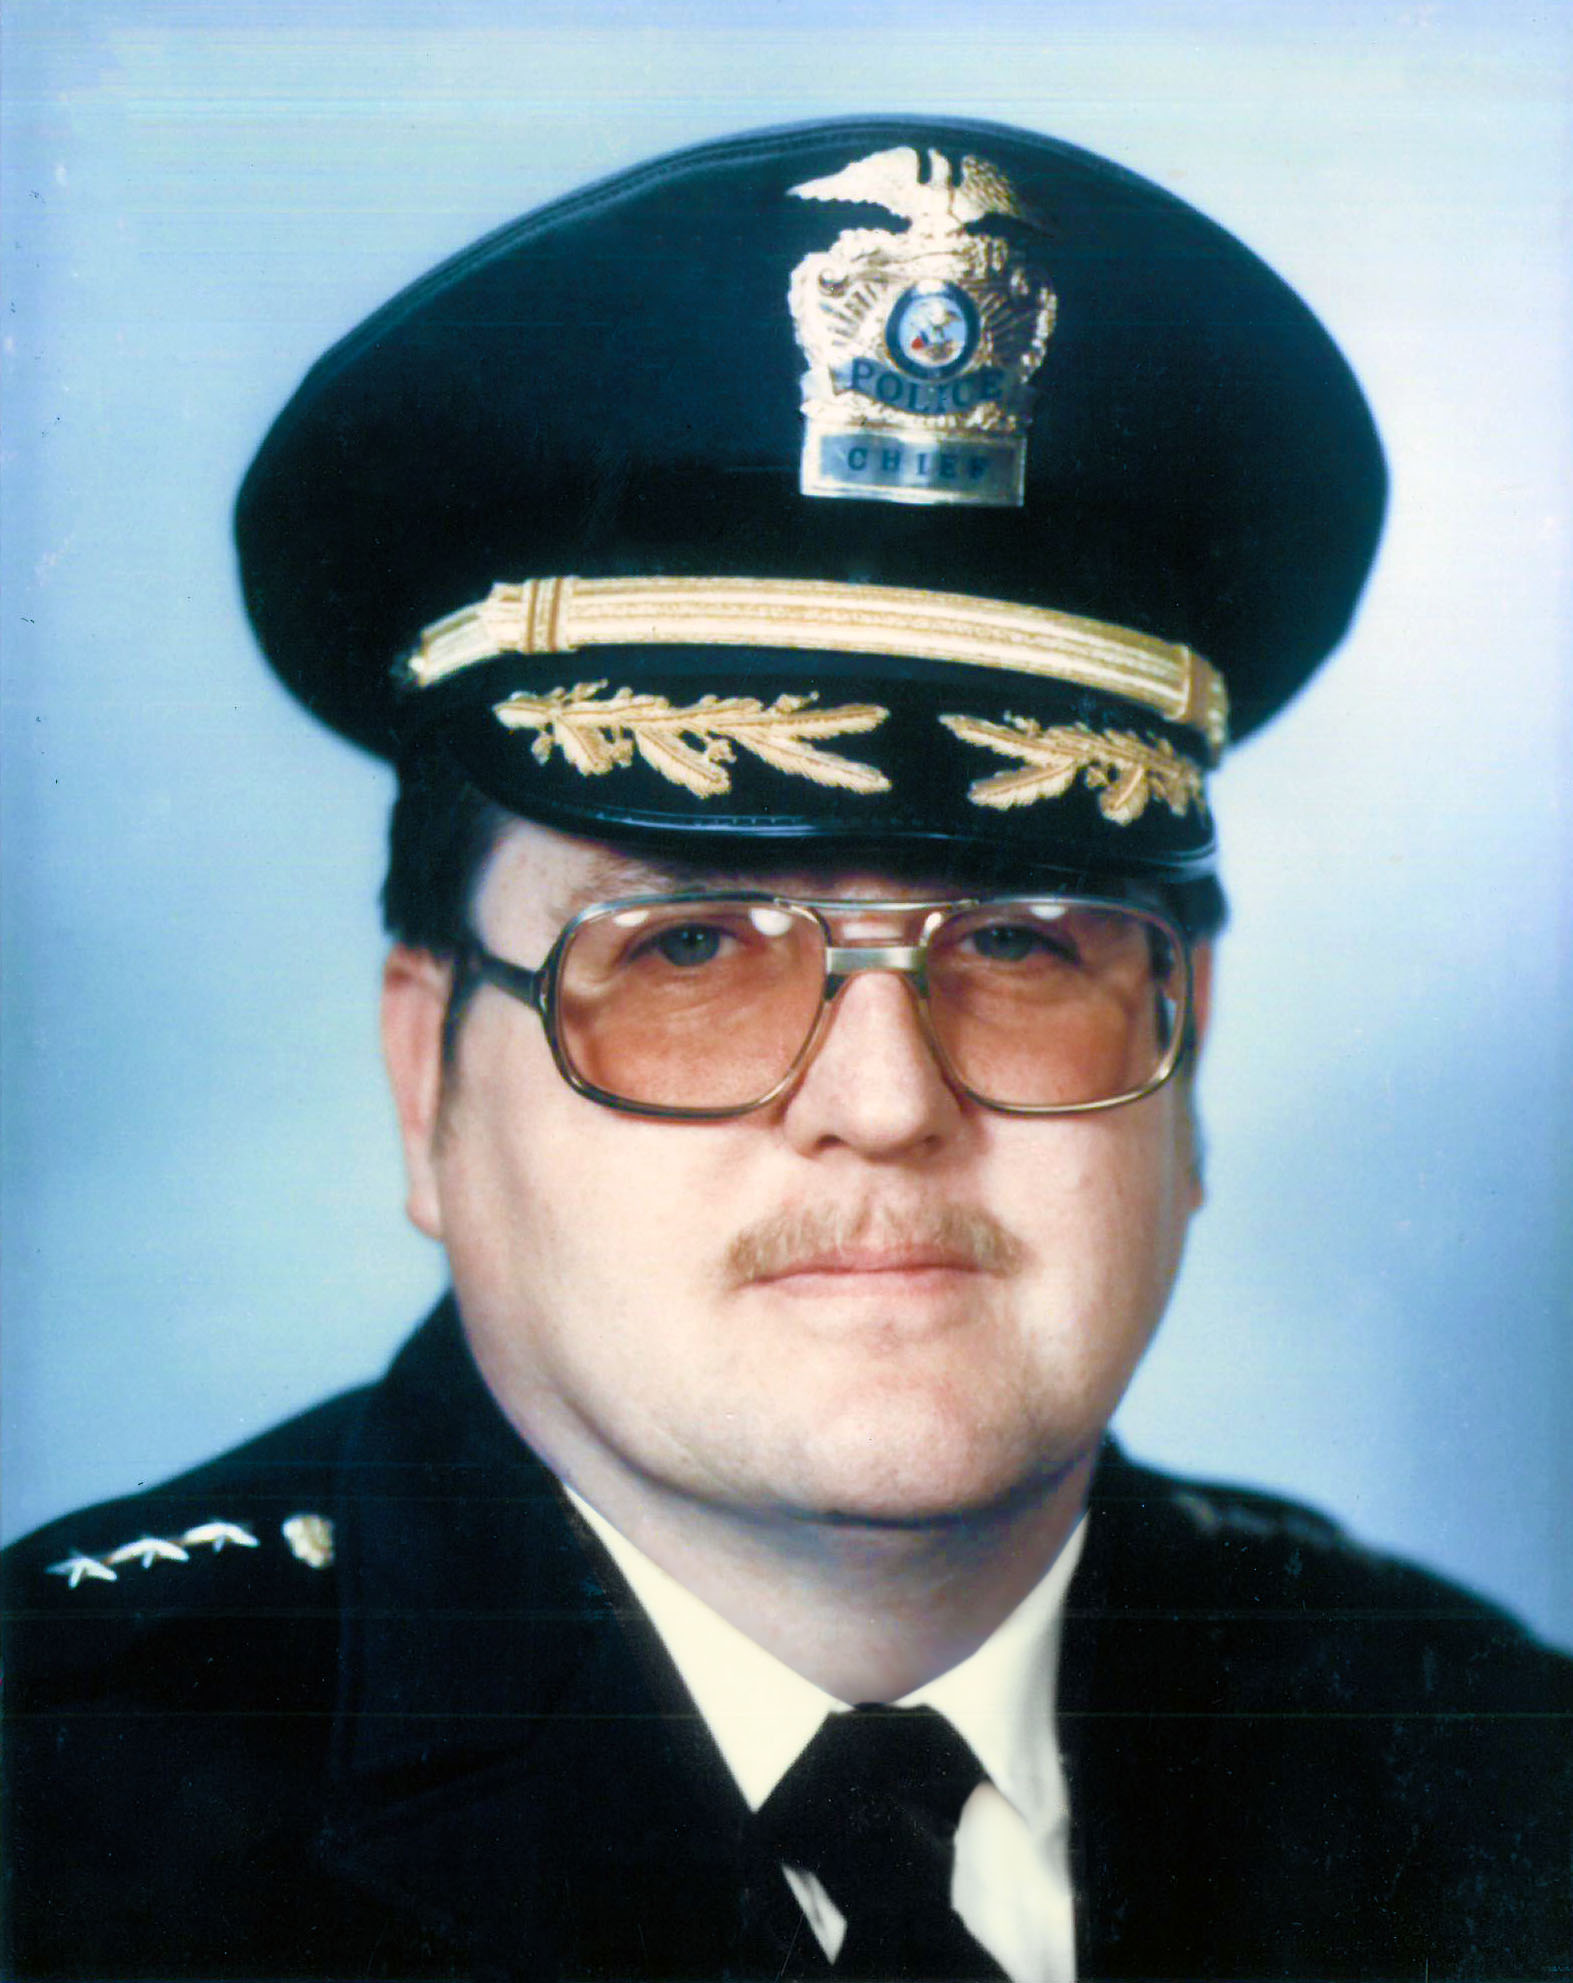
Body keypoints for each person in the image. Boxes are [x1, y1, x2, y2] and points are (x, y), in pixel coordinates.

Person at [2, 116, 1566, 1981]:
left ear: (1185, 1052)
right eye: (689, 950)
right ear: (428, 1086)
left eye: (1018, 942)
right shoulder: (65, 1818)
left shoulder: (1490, 1772)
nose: (886, 1104)